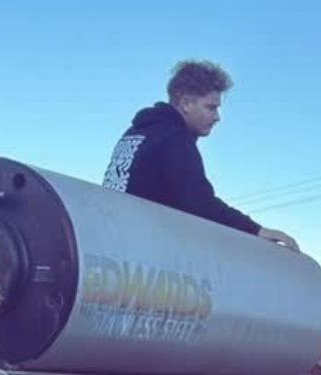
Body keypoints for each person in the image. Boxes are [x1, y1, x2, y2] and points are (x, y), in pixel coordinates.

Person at [104, 60, 299, 251]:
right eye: (211, 107)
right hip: (138, 250)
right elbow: (199, 203)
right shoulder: (174, 138)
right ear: (187, 104)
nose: (217, 117)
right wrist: (257, 230)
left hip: (108, 235)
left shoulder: (135, 133)